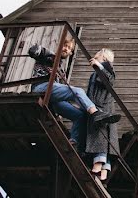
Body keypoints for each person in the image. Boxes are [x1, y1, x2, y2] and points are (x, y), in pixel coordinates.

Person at [28, 40, 120, 147]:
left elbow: (66, 94)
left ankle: (73, 142)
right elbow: (35, 51)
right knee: (78, 91)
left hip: (53, 98)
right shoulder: (49, 57)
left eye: (69, 49)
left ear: (70, 53)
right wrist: (41, 51)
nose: (66, 49)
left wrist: (81, 106)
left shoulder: (62, 71)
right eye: (65, 46)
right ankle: (96, 114)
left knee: (80, 115)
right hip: (41, 87)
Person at [85, 48, 121, 182]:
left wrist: (98, 66)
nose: (93, 59)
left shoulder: (107, 69)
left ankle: (97, 167)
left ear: (104, 59)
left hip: (102, 109)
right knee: (102, 139)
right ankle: (103, 173)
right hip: (98, 107)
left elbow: (108, 81)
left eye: (96, 57)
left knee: (100, 137)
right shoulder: (96, 73)